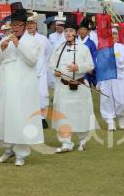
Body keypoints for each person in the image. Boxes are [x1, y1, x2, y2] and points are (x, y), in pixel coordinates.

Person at [0, 2, 43, 167]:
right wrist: (1, 48)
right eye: (13, 25)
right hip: (7, 84)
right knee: (5, 116)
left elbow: (32, 61)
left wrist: (18, 44)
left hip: (24, 85)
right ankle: (8, 149)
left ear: (25, 25)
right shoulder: (6, 39)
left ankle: (21, 154)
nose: (15, 28)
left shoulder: (33, 41)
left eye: (18, 25)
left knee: (21, 117)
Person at [50, 15, 96, 152]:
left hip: (79, 86)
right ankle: (66, 143)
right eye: (66, 31)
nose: (68, 33)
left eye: (70, 31)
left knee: (80, 114)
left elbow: (91, 65)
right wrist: (56, 71)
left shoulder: (83, 48)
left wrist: (78, 68)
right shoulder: (59, 48)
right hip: (63, 86)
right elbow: (52, 63)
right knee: (63, 114)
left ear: (75, 32)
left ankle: (82, 140)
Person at [99, 28, 124, 131]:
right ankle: (110, 121)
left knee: (122, 99)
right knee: (107, 99)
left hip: (119, 77)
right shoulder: (102, 47)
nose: (113, 36)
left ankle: (121, 117)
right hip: (106, 78)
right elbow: (99, 63)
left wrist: (114, 59)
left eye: (115, 34)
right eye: (110, 34)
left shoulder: (122, 47)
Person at [26, 11, 53, 129]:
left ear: (36, 24)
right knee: (27, 95)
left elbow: (49, 53)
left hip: (41, 72)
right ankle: (28, 118)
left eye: (32, 23)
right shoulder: (22, 39)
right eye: (28, 24)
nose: (30, 26)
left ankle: (42, 118)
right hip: (27, 73)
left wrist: (44, 65)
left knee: (42, 95)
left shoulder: (43, 39)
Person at [76, 17, 97, 87]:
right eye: (80, 29)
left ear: (88, 31)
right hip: (76, 67)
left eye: (84, 29)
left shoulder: (91, 43)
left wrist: (91, 68)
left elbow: (94, 56)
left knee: (86, 86)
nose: (82, 31)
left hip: (86, 68)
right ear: (78, 31)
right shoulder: (75, 41)